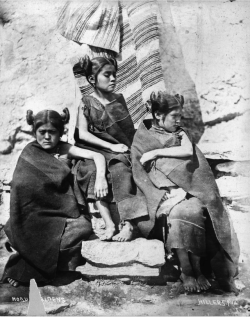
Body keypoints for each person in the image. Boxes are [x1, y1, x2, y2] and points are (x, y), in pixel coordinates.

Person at [131, 91, 240, 294]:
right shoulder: (143, 136)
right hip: (162, 195)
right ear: (157, 115)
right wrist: (162, 190)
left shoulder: (181, 133)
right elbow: (141, 172)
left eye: (180, 116)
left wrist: (156, 153)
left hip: (189, 191)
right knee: (178, 213)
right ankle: (186, 269)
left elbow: (189, 155)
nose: (178, 120)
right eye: (174, 116)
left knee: (192, 210)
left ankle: (198, 269)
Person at [1, 108, 108, 287]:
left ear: (60, 133)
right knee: (21, 231)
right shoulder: (29, 153)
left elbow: (97, 156)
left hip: (61, 214)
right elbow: (21, 190)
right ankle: (28, 268)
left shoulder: (66, 149)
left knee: (83, 227)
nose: (47, 137)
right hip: (32, 216)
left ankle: (34, 261)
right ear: (35, 132)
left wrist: (101, 178)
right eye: (42, 132)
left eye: (53, 132)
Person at [72, 55, 146, 241]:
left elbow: (126, 130)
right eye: (107, 75)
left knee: (121, 169)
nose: (113, 79)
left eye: (114, 74)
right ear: (92, 79)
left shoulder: (118, 99)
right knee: (92, 171)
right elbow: (83, 134)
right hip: (97, 148)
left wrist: (124, 147)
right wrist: (110, 145)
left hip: (119, 150)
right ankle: (109, 223)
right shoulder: (87, 103)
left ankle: (128, 223)